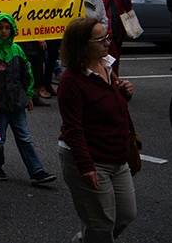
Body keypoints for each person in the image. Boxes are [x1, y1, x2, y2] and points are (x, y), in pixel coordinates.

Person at [57, 17, 137, 243]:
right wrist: (85, 166)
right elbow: (74, 128)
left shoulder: (107, 66)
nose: (107, 43)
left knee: (125, 215)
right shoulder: (71, 81)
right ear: (83, 46)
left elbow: (109, 104)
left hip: (116, 157)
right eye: (100, 39)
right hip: (89, 159)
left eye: (107, 37)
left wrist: (125, 93)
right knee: (101, 226)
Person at [0, 13, 56, 186]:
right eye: (0, 28)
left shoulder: (17, 50)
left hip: (17, 103)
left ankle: (36, 171)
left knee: (25, 138)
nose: (4, 31)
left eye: (7, 28)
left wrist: (28, 95)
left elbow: (26, 75)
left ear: (12, 29)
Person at [96, 0, 132, 73]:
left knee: (116, 58)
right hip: (105, 31)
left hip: (118, 30)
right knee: (109, 58)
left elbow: (128, 9)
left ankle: (113, 80)